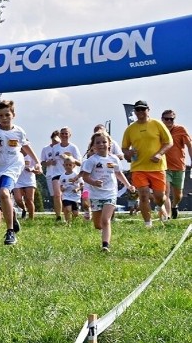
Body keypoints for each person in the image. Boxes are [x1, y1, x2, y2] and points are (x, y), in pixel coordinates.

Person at [0, 100, 41, 245]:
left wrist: (37, 162)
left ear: (13, 115)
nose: (5, 118)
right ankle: (12, 216)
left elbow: (26, 147)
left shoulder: (18, 131)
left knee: (4, 193)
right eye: (1, 115)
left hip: (13, 165)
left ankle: (10, 232)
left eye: (7, 115)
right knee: (2, 196)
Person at [121, 100, 173, 228]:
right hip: (138, 167)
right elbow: (124, 148)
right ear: (134, 111)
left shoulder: (157, 124)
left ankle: (161, 207)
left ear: (148, 110)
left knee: (159, 197)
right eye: (137, 110)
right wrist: (129, 152)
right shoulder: (130, 129)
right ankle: (148, 224)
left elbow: (169, 142)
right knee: (143, 195)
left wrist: (159, 154)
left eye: (142, 109)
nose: (140, 112)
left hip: (157, 167)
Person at [80, 132, 133, 252]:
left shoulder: (113, 159)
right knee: (98, 225)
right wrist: (93, 182)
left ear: (109, 144)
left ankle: (105, 245)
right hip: (95, 195)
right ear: (93, 146)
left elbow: (118, 173)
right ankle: (104, 232)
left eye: (104, 142)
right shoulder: (91, 161)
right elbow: (85, 177)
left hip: (110, 193)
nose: (101, 144)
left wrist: (128, 185)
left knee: (105, 220)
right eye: (97, 142)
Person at [161, 110, 192, 219]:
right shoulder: (159, 130)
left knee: (178, 195)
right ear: (162, 119)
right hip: (164, 167)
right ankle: (167, 217)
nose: (169, 121)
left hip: (179, 166)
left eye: (171, 119)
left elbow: (189, 145)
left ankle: (175, 205)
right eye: (166, 118)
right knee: (165, 191)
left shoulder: (181, 130)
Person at [40, 130, 62, 221]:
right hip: (50, 174)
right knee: (55, 196)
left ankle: (65, 213)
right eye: (54, 140)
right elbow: (42, 162)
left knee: (62, 195)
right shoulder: (46, 149)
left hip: (62, 173)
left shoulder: (62, 148)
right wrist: (48, 162)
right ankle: (58, 215)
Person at [13, 154, 39, 220]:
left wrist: (32, 170)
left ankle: (31, 219)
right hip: (17, 180)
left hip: (29, 181)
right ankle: (24, 208)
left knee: (29, 200)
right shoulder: (15, 154)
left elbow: (39, 171)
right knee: (18, 199)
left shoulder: (32, 156)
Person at [59, 157, 82, 224]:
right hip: (66, 196)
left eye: (70, 165)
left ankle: (74, 224)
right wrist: (62, 189)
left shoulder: (76, 175)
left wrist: (77, 189)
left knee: (76, 214)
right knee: (68, 209)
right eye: (66, 165)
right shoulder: (62, 176)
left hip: (75, 197)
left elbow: (82, 185)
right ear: (63, 165)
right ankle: (67, 222)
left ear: (74, 165)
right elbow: (61, 187)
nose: (68, 166)